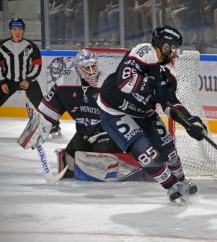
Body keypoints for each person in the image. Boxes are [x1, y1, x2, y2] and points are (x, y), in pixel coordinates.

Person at [97, 25, 206, 203]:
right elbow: (124, 81)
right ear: (165, 45)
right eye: (175, 47)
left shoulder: (170, 72)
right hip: (115, 111)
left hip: (144, 113)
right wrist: (152, 84)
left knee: (170, 153)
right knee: (146, 153)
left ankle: (182, 180)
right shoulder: (144, 52)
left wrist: (190, 122)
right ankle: (171, 186)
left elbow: (169, 103)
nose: (177, 53)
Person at [17, 49, 123, 178]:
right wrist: (35, 129)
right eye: (86, 68)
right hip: (84, 133)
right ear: (78, 69)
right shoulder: (64, 83)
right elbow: (47, 111)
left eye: (93, 66)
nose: (91, 71)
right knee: (69, 163)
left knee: (99, 160)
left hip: (109, 132)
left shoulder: (109, 83)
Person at [0, 18, 61, 136]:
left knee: (42, 104)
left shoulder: (31, 46)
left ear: (23, 31)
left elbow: (37, 65)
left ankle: (54, 125)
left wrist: (28, 80)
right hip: (8, 81)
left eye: (20, 29)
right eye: (14, 29)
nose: (17, 32)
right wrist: (2, 81)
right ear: (10, 30)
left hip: (28, 81)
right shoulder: (2, 46)